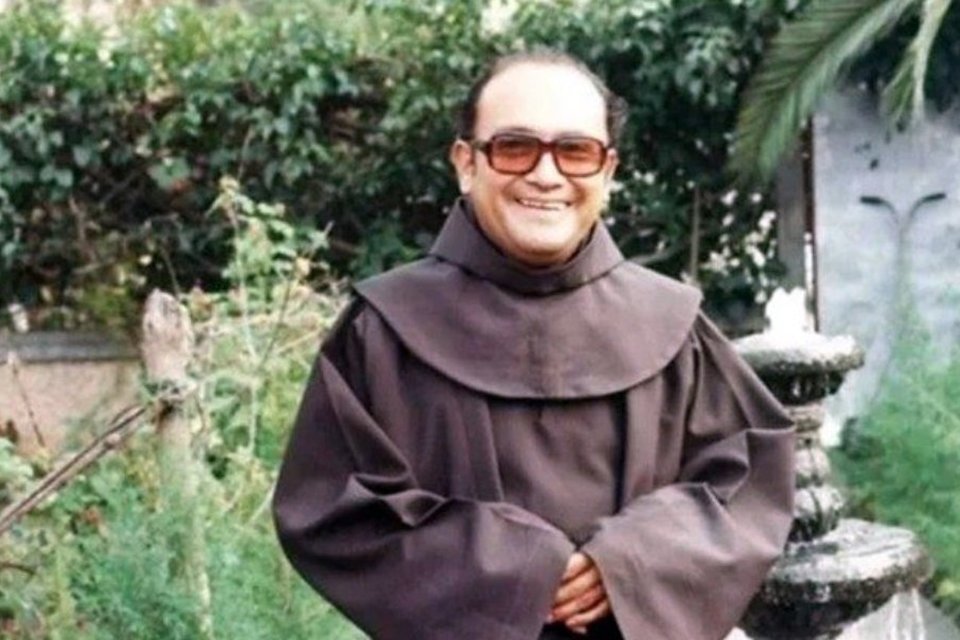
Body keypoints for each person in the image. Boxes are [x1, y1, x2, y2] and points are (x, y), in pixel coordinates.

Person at [272, 51, 795, 640]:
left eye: (575, 151)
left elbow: (750, 482)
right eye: (516, 147)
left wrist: (630, 563)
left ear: (607, 170)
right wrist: (517, 570)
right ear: (466, 163)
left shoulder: (675, 327)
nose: (546, 175)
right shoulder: (381, 330)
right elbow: (331, 509)